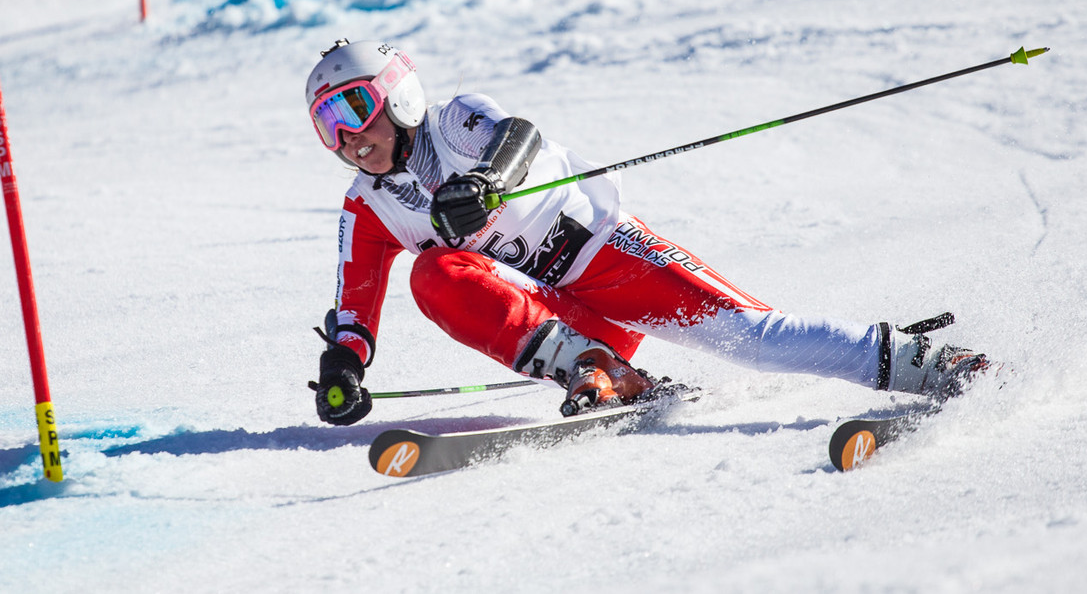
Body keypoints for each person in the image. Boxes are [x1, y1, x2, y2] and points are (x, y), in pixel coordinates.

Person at [304, 39, 989, 425]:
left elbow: (519, 136)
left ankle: (929, 363)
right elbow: (355, 305)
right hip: (567, 321)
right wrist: (344, 364)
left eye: (355, 108)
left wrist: (488, 182)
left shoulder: (457, 121)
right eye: (328, 126)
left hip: (614, 260)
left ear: (399, 94)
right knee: (434, 274)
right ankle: (599, 369)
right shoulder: (369, 207)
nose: (348, 137)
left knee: (755, 339)